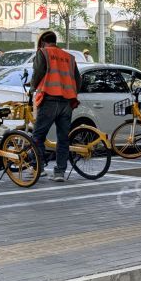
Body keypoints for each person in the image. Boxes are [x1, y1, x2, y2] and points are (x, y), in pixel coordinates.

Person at [30, 30, 82, 182]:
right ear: (54, 41)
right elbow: (78, 80)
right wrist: (71, 93)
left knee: (38, 136)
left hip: (49, 100)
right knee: (63, 138)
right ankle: (59, 173)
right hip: (67, 103)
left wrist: (33, 87)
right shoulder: (69, 57)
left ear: (44, 43)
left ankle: (39, 168)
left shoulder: (43, 53)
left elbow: (38, 72)